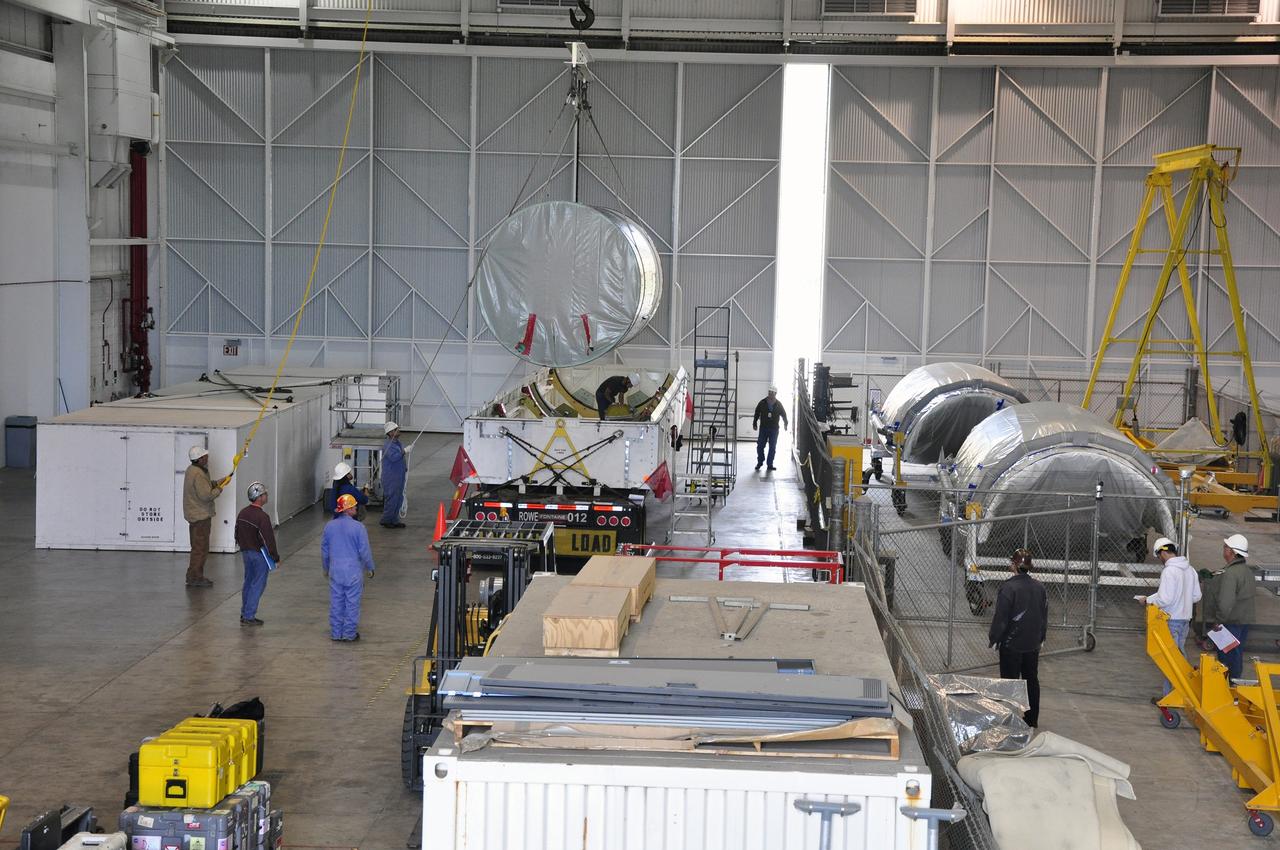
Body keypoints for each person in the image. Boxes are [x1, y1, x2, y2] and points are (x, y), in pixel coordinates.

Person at [989, 548, 1048, 728]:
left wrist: (994, 638)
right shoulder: (1039, 587)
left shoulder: (1008, 588)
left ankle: (1010, 721)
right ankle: (1032, 719)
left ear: (1014, 565)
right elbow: (1043, 614)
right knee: (1031, 679)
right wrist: (1041, 637)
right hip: (1032, 643)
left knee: (1010, 681)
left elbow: (1001, 618)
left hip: (1011, 643)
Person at [1137, 537, 1201, 698]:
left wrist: (1148, 600)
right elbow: (1196, 596)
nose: (1160, 559)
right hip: (1185, 620)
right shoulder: (1190, 569)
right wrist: (1182, 600)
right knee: (1177, 658)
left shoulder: (1169, 571)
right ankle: (1176, 694)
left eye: (1159, 556)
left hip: (1171, 620)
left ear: (1163, 552)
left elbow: (1165, 599)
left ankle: (1172, 696)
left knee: (1171, 661)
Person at [322, 493, 376, 641]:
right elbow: (364, 550)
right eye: (354, 506)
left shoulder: (329, 527)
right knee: (352, 603)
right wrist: (370, 567)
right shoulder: (358, 528)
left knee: (336, 602)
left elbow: (325, 551)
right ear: (349, 509)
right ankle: (349, 634)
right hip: (352, 572)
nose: (356, 508)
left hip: (335, 571)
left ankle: (336, 633)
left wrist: (326, 568)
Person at [1208, 533, 1254, 681]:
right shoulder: (1247, 571)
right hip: (1244, 621)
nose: (1224, 549)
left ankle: (1228, 689)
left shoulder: (1230, 573)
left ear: (1232, 552)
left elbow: (1225, 602)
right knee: (1237, 653)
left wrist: (1218, 621)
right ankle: (1236, 684)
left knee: (1226, 657)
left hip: (1230, 622)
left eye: (1226, 547)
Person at [234, 481, 279, 627]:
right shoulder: (262, 517)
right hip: (259, 555)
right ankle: (249, 616)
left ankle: (244, 612)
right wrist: (274, 556)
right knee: (258, 584)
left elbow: (236, 532)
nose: (267, 495)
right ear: (259, 497)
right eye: (265, 493)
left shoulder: (242, 513)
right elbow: (268, 539)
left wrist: (242, 546)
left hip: (246, 553)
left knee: (248, 582)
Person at [182, 446, 225, 588]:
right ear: (199, 459)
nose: (207, 458)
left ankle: (192, 575)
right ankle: (196, 577)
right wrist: (218, 490)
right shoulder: (199, 474)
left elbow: (203, 487)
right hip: (200, 516)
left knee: (196, 546)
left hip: (194, 515)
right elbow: (206, 495)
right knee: (200, 548)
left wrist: (217, 482)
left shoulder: (192, 470)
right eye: (205, 456)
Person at [752, 385, 789, 471]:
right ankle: (760, 462)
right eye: (769, 392)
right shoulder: (762, 403)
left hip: (774, 430)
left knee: (772, 447)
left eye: (772, 392)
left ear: (776, 393)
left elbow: (784, 414)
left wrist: (785, 424)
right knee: (760, 446)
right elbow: (757, 413)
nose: (771, 394)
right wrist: (754, 423)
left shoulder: (779, 405)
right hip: (763, 429)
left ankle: (770, 464)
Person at [380, 422, 409, 529]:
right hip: (391, 477)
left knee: (398, 498)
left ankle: (394, 520)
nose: (398, 430)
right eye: (396, 429)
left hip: (399, 475)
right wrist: (404, 451)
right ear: (391, 433)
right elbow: (394, 457)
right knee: (392, 499)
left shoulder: (397, 443)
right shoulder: (388, 445)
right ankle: (386, 520)